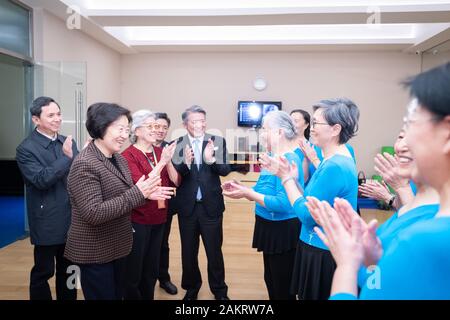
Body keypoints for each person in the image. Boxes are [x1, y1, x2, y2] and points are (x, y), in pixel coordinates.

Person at [312, 62, 450, 299]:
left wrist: (346, 265)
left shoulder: (427, 240)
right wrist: (375, 261)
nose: (401, 145)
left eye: (411, 124)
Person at [64, 103, 173, 300]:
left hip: (119, 246)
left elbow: (126, 196)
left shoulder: (117, 159)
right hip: (96, 251)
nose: (124, 135)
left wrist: (143, 193)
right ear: (100, 127)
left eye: (126, 129)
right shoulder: (85, 164)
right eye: (119, 129)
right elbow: (93, 213)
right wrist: (139, 193)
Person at [259, 98, 360, 300]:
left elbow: (306, 214)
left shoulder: (335, 166)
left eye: (315, 123)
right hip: (317, 246)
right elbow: (310, 198)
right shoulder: (330, 160)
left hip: (322, 251)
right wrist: (295, 181)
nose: (310, 129)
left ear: (335, 129)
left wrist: (286, 178)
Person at [222, 111, 303, 300]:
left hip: (283, 229)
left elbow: (283, 203)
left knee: (282, 287)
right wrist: (241, 188)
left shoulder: (289, 159)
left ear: (279, 132)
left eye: (265, 130)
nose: (262, 134)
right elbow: (261, 190)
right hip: (267, 225)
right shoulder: (270, 156)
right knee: (271, 281)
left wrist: (248, 193)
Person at [16, 96, 78, 300]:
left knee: (71, 269)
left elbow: (77, 175)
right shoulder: (26, 149)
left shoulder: (66, 142)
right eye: (50, 115)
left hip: (73, 219)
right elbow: (41, 180)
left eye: (59, 114)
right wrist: (66, 158)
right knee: (44, 271)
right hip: (47, 220)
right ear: (36, 119)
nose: (57, 119)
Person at [172, 105, 231, 300]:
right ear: (185, 124)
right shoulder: (177, 144)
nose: (200, 124)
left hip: (211, 206)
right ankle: (192, 288)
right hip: (187, 207)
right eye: (195, 121)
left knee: (214, 252)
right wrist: (186, 163)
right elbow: (175, 176)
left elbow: (224, 170)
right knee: (188, 252)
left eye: (202, 120)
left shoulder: (217, 141)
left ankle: (219, 291)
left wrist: (211, 159)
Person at [122, 110, 179, 300]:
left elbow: (172, 183)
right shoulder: (128, 155)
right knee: (134, 269)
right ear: (136, 131)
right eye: (151, 126)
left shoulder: (159, 151)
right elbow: (143, 187)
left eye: (157, 126)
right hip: (138, 219)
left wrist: (166, 161)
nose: (156, 130)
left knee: (151, 268)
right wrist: (163, 162)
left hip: (159, 216)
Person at [359, 129, 417, 210]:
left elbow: (418, 218)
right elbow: (402, 209)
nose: (400, 146)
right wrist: (387, 196)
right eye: (401, 137)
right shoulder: (407, 175)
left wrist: (402, 188)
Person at [153, 112, 179, 295]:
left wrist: (167, 160)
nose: (161, 131)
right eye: (157, 126)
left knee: (162, 243)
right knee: (144, 245)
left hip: (165, 204)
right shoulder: (138, 149)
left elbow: (177, 179)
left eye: (164, 127)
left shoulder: (171, 148)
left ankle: (164, 278)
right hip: (141, 204)